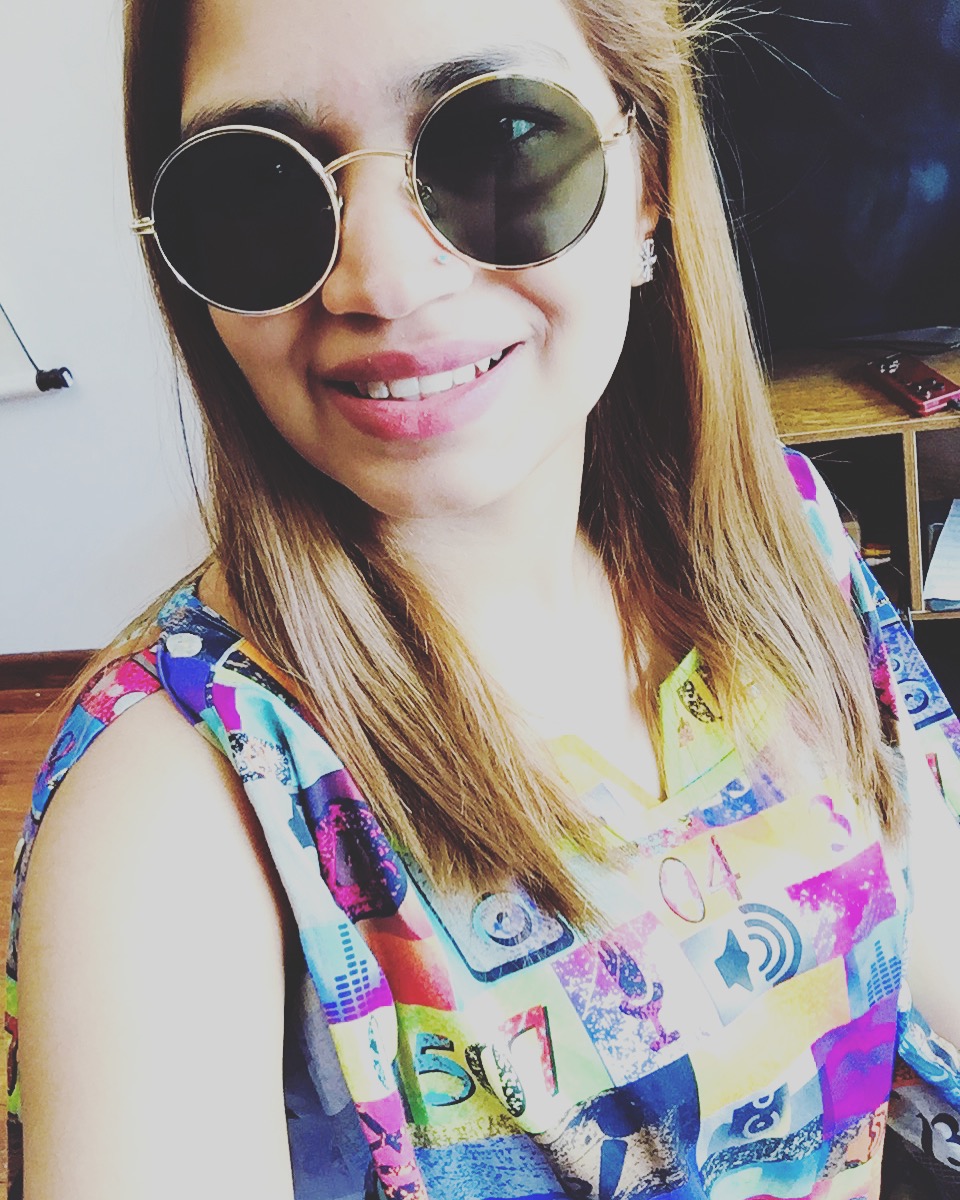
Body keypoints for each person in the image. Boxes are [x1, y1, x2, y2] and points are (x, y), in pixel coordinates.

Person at [7, 0, 960, 1196]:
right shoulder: (172, 809)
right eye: (257, 183)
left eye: (498, 136)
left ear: (648, 177)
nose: (382, 279)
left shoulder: (785, 541)